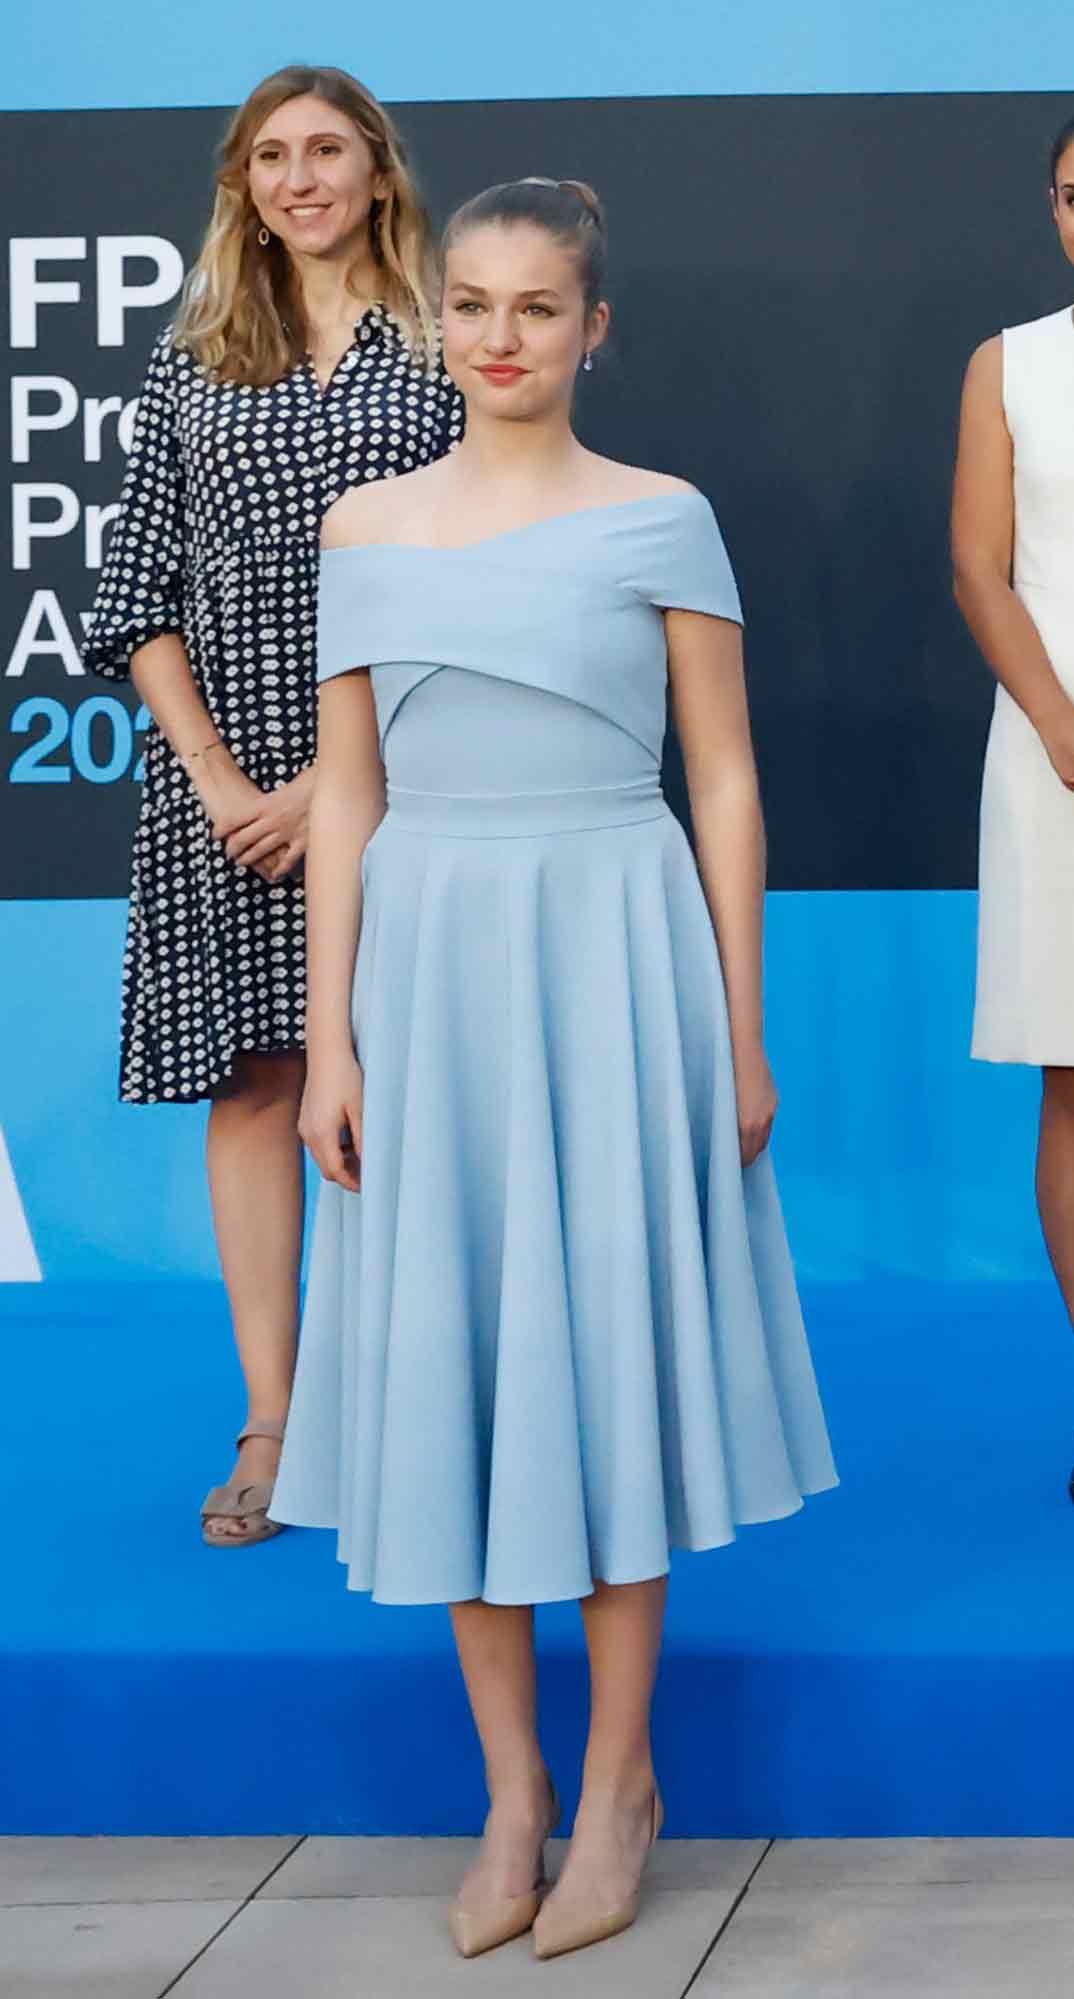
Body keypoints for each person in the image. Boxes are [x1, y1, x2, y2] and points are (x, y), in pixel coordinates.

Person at [270, 176, 836, 1957]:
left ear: (595, 330)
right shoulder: (359, 529)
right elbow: (347, 799)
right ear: (428, 318)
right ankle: (508, 1789)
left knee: (603, 1365)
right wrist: (330, 1037)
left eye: (535, 308)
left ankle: (614, 1783)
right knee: (459, 1360)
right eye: (468, 304)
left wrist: (736, 1027)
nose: (498, 337)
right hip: (428, 967)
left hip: (609, 949)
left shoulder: (664, 519)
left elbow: (724, 782)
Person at [83, 67, 463, 1546]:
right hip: (225, 797)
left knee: (415, 1086)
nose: (298, 178)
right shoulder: (194, 362)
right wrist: (231, 783)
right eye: (269, 158)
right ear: (241, 185)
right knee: (257, 1086)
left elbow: (483, 573)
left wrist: (334, 783)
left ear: (378, 167)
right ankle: (276, 1423)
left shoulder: (449, 342)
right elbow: (134, 595)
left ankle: (426, 1414)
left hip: (416, 766)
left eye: (326, 150)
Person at [953, 113, 1074, 1497]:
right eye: (1068, 194)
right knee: (1073, 1072)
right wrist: (1056, 724)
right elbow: (979, 566)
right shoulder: (1011, 367)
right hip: (1053, 759)